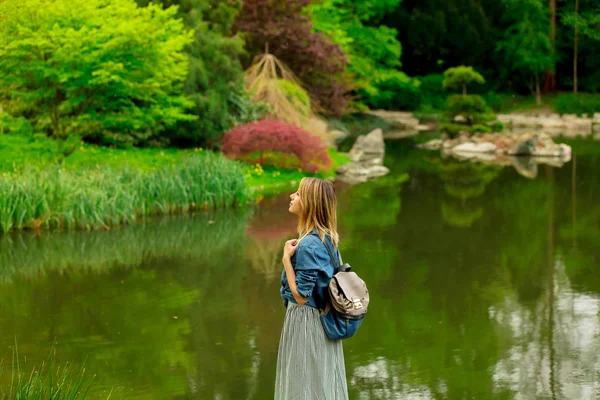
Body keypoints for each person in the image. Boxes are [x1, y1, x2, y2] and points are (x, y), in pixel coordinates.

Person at [275, 177, 349, 400]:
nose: (291, 196)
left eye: (297, 193)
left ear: (309, 203)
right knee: (320, 381)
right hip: (322, 319)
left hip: (306, 321)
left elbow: (300, 296)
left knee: (302, 384)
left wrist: (287, 260)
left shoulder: (308, 244)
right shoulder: (327, 238)